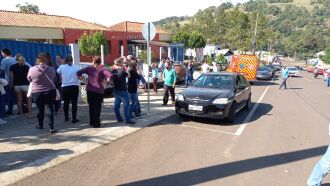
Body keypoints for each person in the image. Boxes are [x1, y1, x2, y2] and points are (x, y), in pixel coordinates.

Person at [77, 56, 112, 128]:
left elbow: (78, 73)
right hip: (99, 91)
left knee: (91, 107)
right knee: (97, 108)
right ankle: (97, 124)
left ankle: (92, 122)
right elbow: (110, 75)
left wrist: (84, 81)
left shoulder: (89, 68)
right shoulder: (102, 69)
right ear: (100, 62)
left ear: (93, 62)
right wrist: (106, 82)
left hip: (90, 90)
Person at [27, 54, 57, 134]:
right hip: (50, 91)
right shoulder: (51, 69)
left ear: (37, 60)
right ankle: (52, 127)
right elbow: (53, 77)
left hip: (36, 92)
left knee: (40, 109)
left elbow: (29, 79)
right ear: (46, 60)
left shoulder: (31, 69)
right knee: (49, 108)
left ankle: (40, 125)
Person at [111, 57, 135, 124]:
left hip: (116, 91)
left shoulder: (112, 71)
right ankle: (128, 120)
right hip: (123, 91)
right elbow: (129, 76)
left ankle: (119, 119)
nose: (123, 63)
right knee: (126, 106)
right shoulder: (122, 71)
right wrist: (128, 70)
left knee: (116, 106)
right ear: (119, 63)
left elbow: (110, 80)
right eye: (122, 62)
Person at [57, 56, 80, 123]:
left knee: (66, 103)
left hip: (65, 87)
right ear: (72, 60)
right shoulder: (76, 67)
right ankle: (74, 118)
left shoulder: (62, 67)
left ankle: (66, 117)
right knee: (74, 103)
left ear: (65, 60)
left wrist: (62, 64)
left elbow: (57, 72)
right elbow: (79, 75)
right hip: (74, 86)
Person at [1, 48, 17, 115]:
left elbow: (1, 70)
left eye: (1, 53)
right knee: (16, 96)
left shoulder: (4, 60)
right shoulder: (15, 59)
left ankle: (10, 110)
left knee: (11, 96)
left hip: (9, 81)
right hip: (17, 81)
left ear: (4, 53)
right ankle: (22, 108)